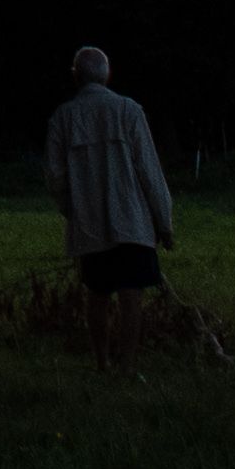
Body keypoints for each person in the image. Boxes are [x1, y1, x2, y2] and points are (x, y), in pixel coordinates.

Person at [41, 45, 181, 352]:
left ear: (75, 76)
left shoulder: (62, 118)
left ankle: (102, 362)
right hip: (131, 222)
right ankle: (127, 368)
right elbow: (149, 170)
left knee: (97, 294)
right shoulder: (129, 110)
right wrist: (164, 223)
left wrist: (73, 211)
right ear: (108, 74)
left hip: (89, 225)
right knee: (131, 296)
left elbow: (55, 177)